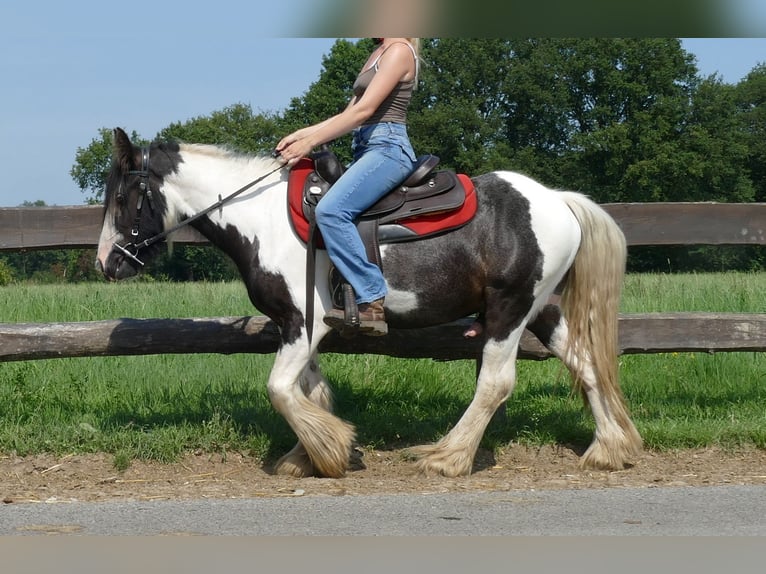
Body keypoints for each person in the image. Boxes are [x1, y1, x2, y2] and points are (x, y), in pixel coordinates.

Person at [276, 38, 420, 336]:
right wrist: (300, 135)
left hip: (388, 149)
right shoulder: (377, 53)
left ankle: (371, 296)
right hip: (367, 149)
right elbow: (347, 115)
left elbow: (363, 112)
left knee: (331, 211)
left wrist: (310, 143)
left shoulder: (399, 51)